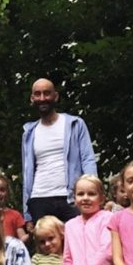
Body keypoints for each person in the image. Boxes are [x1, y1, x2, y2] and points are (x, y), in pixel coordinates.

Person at [22, 78, 98, 223]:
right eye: (37, 94)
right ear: (32, 98)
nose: (42, 98)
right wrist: (27, 213)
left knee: (77, 243)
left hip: (70, 198)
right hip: (39, 198)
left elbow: (88, 159)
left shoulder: (75, 124)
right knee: (46, 245)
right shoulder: (29, 132)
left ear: (55, 96)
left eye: (47, 93)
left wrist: (92, 194)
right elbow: (27, 173)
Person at [0, 172, 29, 244]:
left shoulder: (15, 215)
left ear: (7, 192)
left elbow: (22, 238)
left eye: (2, 190)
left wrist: (32, 234)